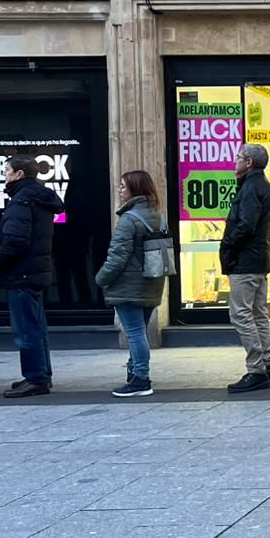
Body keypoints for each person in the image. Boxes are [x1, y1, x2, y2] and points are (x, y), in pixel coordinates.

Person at [0, 154, 65, 398]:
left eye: (7, 171)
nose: (4, 175)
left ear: (19, 174)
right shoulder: (38, 198)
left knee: (26, 329)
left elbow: (15, 241)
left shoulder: (21, 201)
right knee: (36, 326)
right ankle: (40, 374)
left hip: (22, 272)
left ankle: (36, 378)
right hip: (34, 270)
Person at [95, 170, 169, 398]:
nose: (119, 190)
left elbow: (117, 255)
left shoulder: (129, 220)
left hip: (129, 285)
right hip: (152, 282)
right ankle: (135, 373)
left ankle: (141, 378)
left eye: (123, 186)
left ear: (135, 190)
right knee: (140, 332)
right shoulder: (158, 215)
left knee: (135, 333)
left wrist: (101, 279)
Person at [220, 144, 270, 394]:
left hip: (246, 260)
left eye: (239, 158)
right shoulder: (262, 185)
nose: (235, 161)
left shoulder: (252, 188)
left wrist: (228, 243)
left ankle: (256, 369)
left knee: (241, 315)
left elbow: (245, 225)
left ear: (249, 163)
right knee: (257, 314)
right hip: (257, 259)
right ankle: (265, 365)